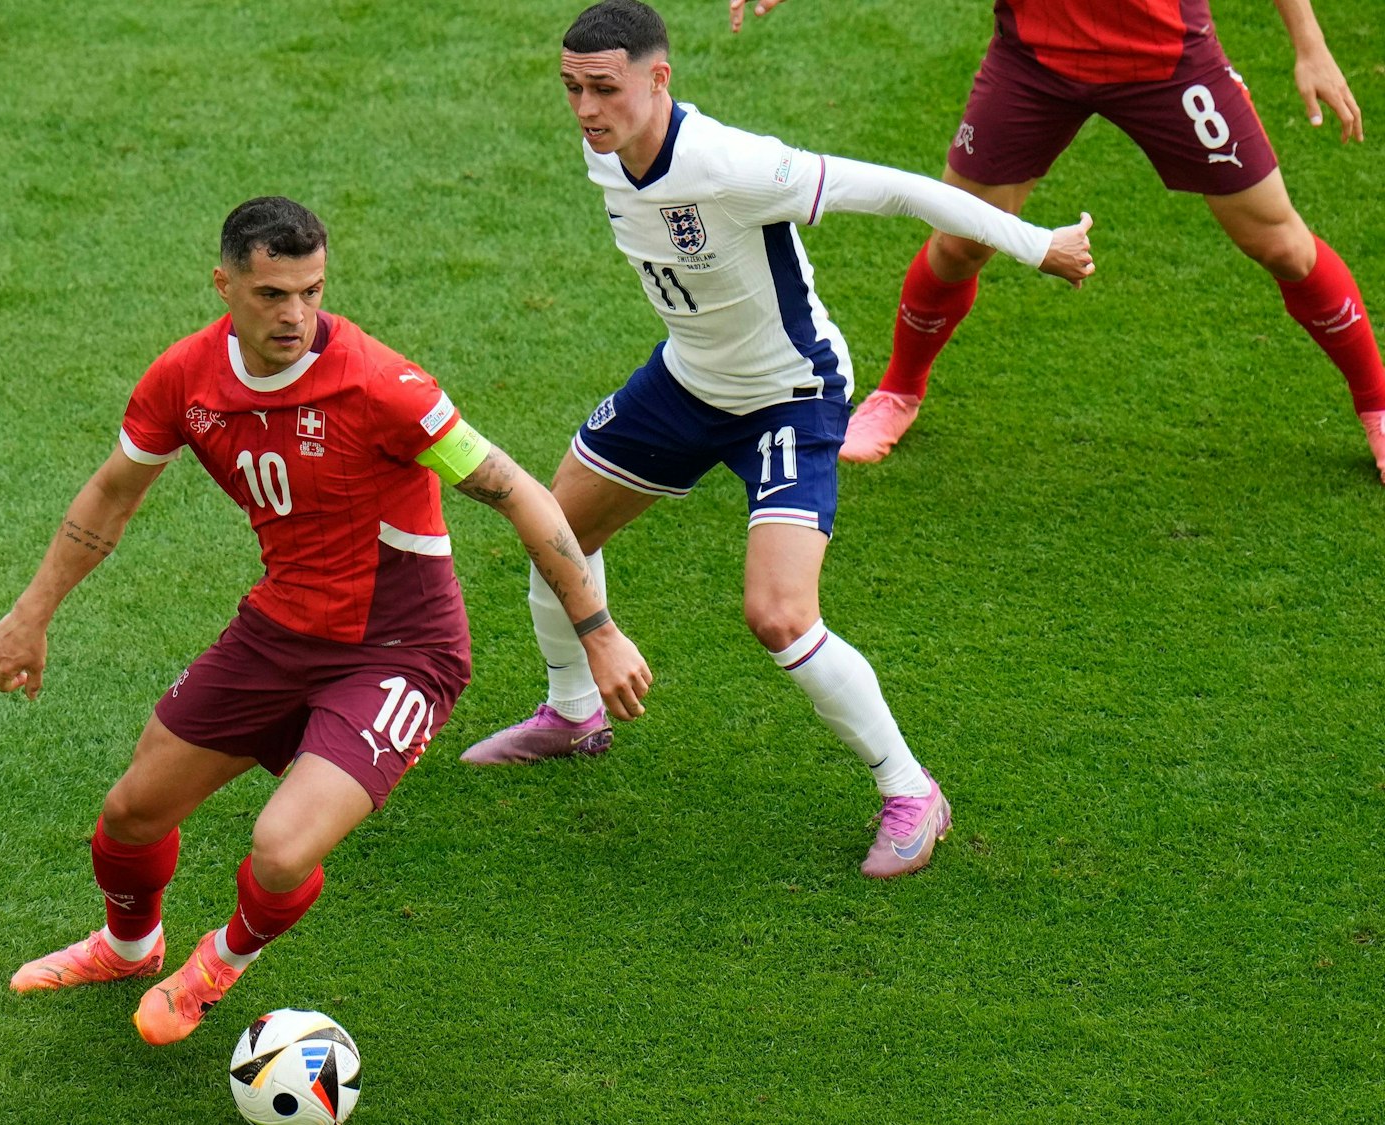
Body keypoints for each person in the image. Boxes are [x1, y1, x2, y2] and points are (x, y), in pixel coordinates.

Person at [0, 197, 650, 1044]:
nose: (295, 314)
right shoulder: (184, 379)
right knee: (129, 816)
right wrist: (31, 611)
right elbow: (114, 492)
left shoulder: (381, 386)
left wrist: (598, 630)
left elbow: (516, 490)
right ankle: (128, 945)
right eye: (271, 294)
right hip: (279, 628)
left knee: (281, 847)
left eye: (311, 291)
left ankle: (218, 963)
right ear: (224, 285)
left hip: (401, 650)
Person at [459, 0, 1095, 879]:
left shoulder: (733, 165)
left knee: (779, 614)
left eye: (603, 89)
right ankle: (574, 712)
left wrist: (1037, 243)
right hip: (686, 381)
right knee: (556, 533)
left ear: (659, 77)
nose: (585, 110)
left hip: (789, 395)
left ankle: (912, 790)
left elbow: (902, 189)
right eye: (571, 89)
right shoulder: (604, 149)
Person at [729, 0, 1380, 471]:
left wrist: (1310, 46)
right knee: (959, 242)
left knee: (1280, 243)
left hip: (1169, 62)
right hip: (1033, 65)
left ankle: (1377, 405)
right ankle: (899, 390)